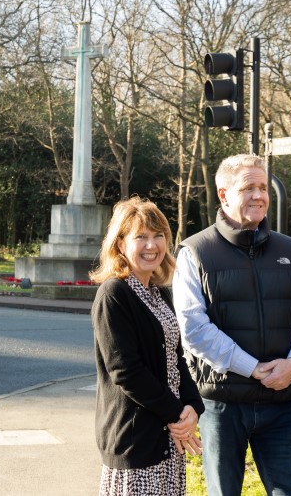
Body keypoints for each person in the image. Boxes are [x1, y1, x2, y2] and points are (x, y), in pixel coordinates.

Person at [171, 153, 291, 496]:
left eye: (263, 186)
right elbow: (194, 328)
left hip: (282, 403)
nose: (259, 195)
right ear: (224, 195)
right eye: (248, 187)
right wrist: (254, 369)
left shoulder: (290, 249)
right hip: (223, 406)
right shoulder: (195, 252)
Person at [90, 196, 204, 496]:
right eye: (141, 237)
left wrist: (193, 407)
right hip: (135, 439)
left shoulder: (159, 292)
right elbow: (125, 370)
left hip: (168, 437)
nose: (152, 245)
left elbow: (177, 357)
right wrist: (177, 414)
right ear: (120, 244)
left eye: (158, 236)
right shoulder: (113, 293)